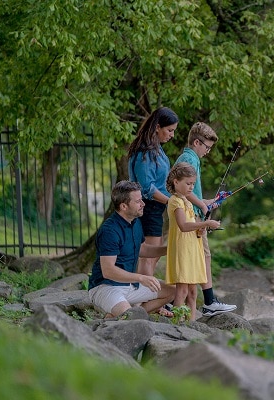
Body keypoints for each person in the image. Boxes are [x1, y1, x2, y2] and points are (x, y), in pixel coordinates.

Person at [175, 122, 236, 316]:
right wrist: (202, 206)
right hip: (190, 217)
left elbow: (190, 191)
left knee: (203, 256)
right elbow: (183, 189)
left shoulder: (191, 158)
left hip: (193, 213)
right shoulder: (189, 158)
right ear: (196, 142)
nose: (208, 151)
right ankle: (209, 301)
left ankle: (204, 301)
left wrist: (207, 201)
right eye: (207, 147)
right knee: (204, 256)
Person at [88, 180, 175, 318]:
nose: (143, 204)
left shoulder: (135, 222)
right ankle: (120, 314)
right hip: (106, 287)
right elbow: (108, 271)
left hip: (130, 285)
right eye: (138, 201)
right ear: (123, 206)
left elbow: (143, 249)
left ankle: (124, 313)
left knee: (172, 291)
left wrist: (169, 250)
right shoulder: (109, 231)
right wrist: (141, 278)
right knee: (131, 318)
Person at [165, 162, 221, 321]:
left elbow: (191, 226)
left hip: (192, 250)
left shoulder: (187, 201)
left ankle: (191, 325)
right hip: (183, 251)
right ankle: (176, 323)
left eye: (193, 184)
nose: (191, 187)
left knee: (193, 292)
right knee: (182, 290)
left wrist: (200, 230)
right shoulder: (175, 201)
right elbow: (182, 226)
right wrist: (206, 224)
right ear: (176, 182)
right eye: (188, 183)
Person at [127, 107, 178, 278]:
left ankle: (147, 300)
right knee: (148, 258)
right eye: (169, 130)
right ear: (157, 126)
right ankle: (145, 302)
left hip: (156, 208)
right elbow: (147, 187)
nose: (172, 135)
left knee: (154, 256)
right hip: (148, 207)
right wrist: (169, 201)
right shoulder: (146, 152)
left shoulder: (157, 149)